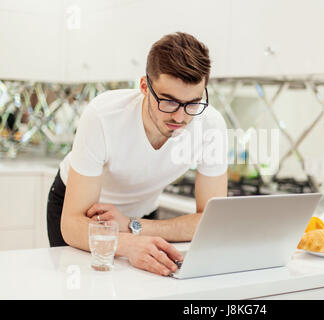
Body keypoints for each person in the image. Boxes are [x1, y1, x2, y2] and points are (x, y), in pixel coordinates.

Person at [46, 32, 228, 276]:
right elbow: (71, 224)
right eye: (169, 102)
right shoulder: (103, 116)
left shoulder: (210, 125)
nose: (180, 117)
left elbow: (213, 222)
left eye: (192, 103)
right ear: (144, 86)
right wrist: (128, 242)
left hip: (141, 218)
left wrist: (133, 227)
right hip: (83, 214)